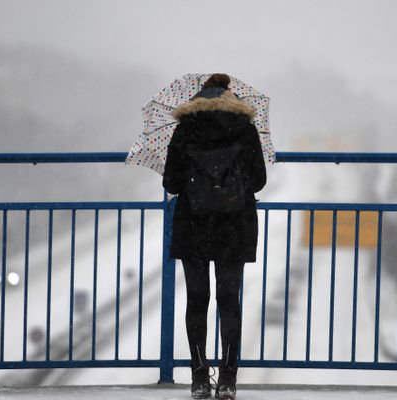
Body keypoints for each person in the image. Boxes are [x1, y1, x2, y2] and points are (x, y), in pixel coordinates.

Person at [162, 73, 267, 399]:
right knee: (228, 301)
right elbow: (259, 180)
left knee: (197, 300)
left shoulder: (184, 128)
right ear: (229, 94)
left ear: (198, 95)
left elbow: (171, 183)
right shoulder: (245, 127)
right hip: (234, 225)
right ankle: (228, 381)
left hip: (193, 225)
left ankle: (197, 379)